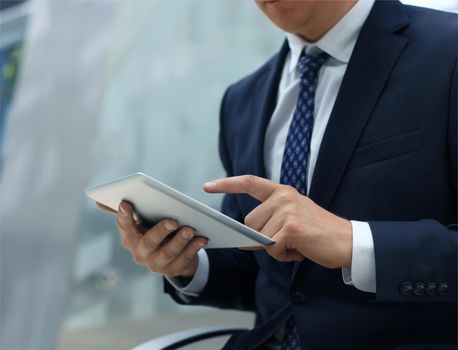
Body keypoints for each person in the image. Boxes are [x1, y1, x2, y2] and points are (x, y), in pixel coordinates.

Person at [99, 0, 457, 349]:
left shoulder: (448, 53)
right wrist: (187, 263)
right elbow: (261, 272)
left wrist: (353, 242)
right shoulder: (243, 99)